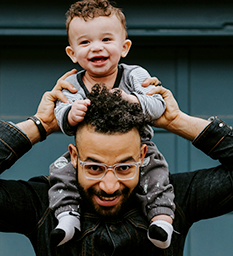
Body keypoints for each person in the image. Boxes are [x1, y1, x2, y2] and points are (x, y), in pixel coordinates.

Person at [0, 72, 233, 256]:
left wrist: (176, 120)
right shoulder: (42, 204)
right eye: (94, 167)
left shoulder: (172, 198)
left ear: (142, 155)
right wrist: (41, 125)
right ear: (74, 157)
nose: (109, 186)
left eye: (124, 168)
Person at [50, 0, 175, 248]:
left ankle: (161, 220)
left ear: (124, 47)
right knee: (60, 170)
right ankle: (67, 217)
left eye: (106, 40)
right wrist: (69, 114)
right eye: (85, 42)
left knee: (157, 172)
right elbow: (60, 114)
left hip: (139, 147)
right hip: (89, 153)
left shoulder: (134, 75)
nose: (96, 48)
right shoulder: (72, 84)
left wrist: (135, 100)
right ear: (72, 53)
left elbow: (159, 104)